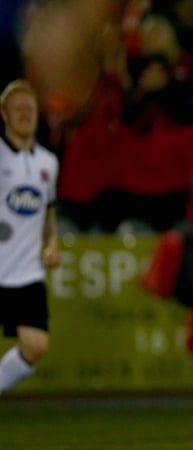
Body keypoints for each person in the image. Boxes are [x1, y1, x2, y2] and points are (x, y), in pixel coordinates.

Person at [0, 79, 60, 395]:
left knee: (35, 346)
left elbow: (48, 211)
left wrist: (52, 244)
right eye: (18, 109)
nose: (25, 114)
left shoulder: (48, 162)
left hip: (27, 272)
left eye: (30, 109)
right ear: (4, 114)